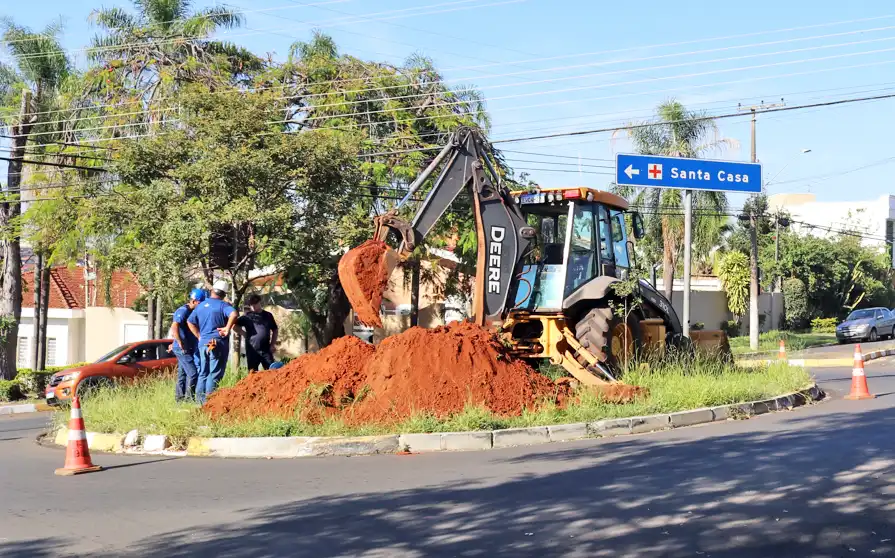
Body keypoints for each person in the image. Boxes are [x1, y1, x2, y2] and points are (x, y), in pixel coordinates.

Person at [187, 280, 238, 404]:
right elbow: (234, 314)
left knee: (203, 373)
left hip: (203, 343)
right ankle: (209, 403)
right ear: (224, 294)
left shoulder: (200, 306)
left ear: (212, 291)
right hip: (217, 343)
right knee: (214, 374)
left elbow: (190, 321)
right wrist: (227, 328)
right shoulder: (223, 305)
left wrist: (199, 336)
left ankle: (199, 403)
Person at [170, 288, 206, 402]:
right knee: (193, 373)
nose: (201, 305)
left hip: (187, 347)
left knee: (183, 375)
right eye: (200, 303)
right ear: (194, 301)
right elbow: (174, 326)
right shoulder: (183, 311)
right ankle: (189, 400)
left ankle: (179, 400)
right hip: (182, 348)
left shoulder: (193, 312)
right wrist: (179, 343)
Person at [237, 294, 279, 372]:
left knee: (271, 371)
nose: (253, 306)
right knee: (252, 373)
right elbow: (234, 326)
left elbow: (275, 330)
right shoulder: (247, 316)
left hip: (266, 349)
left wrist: (273, 344)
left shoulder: (268, 315)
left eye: (255, 303)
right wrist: (244, 334)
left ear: (260, 302)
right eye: (251, 304)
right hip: (252, 349)